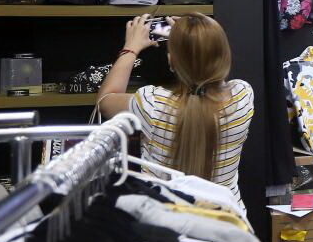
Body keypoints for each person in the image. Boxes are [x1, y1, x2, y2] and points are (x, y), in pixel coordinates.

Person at [97, 14, 254, 207]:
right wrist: (198, 40)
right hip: (227, 219)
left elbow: (105, 100)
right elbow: (212, 76)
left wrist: (131, 48)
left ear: (171, 62)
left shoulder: (152, 103)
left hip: (164, 219)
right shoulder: (242, 96)